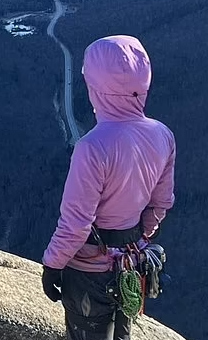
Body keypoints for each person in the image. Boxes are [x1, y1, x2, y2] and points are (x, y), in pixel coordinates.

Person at [41, 35, 175, 339]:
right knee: (122, 333)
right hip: (132, 263)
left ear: (97, 89)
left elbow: (76, 225)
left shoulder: (92, 147)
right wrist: (140, 234)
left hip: (89, 273)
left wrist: (52, 264)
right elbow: (161, 203)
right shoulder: (163, 135)